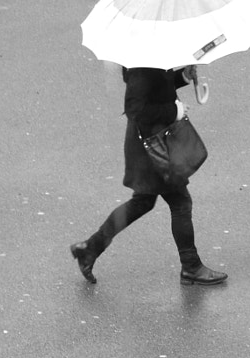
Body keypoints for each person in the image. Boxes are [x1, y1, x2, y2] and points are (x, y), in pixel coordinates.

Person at [71, 65, 227, 285]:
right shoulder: (141, 68)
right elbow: (136, 109)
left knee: (143, 202)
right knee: (180, 202)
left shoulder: (151, 58)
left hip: (151, 144)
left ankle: (90, 249)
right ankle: (191, 266)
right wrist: (175, 111)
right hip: (153, 148)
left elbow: (158, 87)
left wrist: (181, 77)